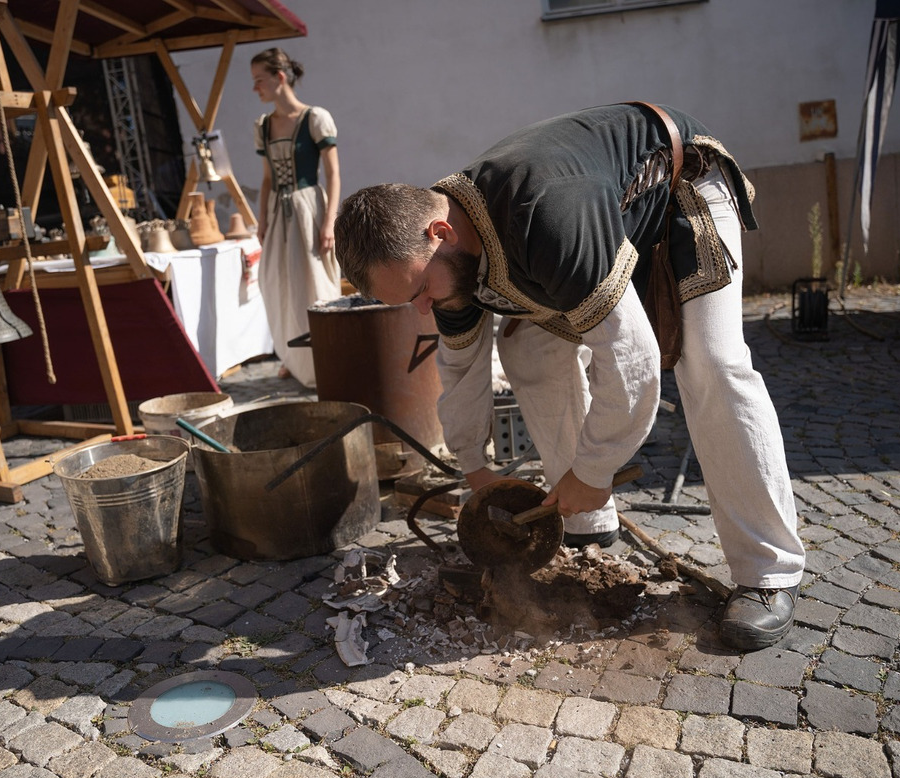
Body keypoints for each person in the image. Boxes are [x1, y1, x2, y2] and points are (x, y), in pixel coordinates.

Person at [334, 103, 806, 651]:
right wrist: (478, 472)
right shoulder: (447, 262)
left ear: (441, 231)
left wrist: (595, 467)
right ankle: (585, 523)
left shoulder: (544, 215)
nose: (422, 309)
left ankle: (768, 573)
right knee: (530, 348)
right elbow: (461, 368)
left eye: (419, 292)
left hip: (682, 189)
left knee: (712, 363)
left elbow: (632, 359)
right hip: (601, 226)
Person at [251, 47, 342, 387]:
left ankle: (324, 356)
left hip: (308, 208)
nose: (255, 88)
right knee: (277, 282)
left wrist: (329, 220)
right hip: (278, 211)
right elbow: (265, 178)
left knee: (313, 281)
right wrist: (261, 219)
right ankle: (292, 354)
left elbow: (333, 174)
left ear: (280, 77)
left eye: (260, 80)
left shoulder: (314, 118)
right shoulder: (262, 126)